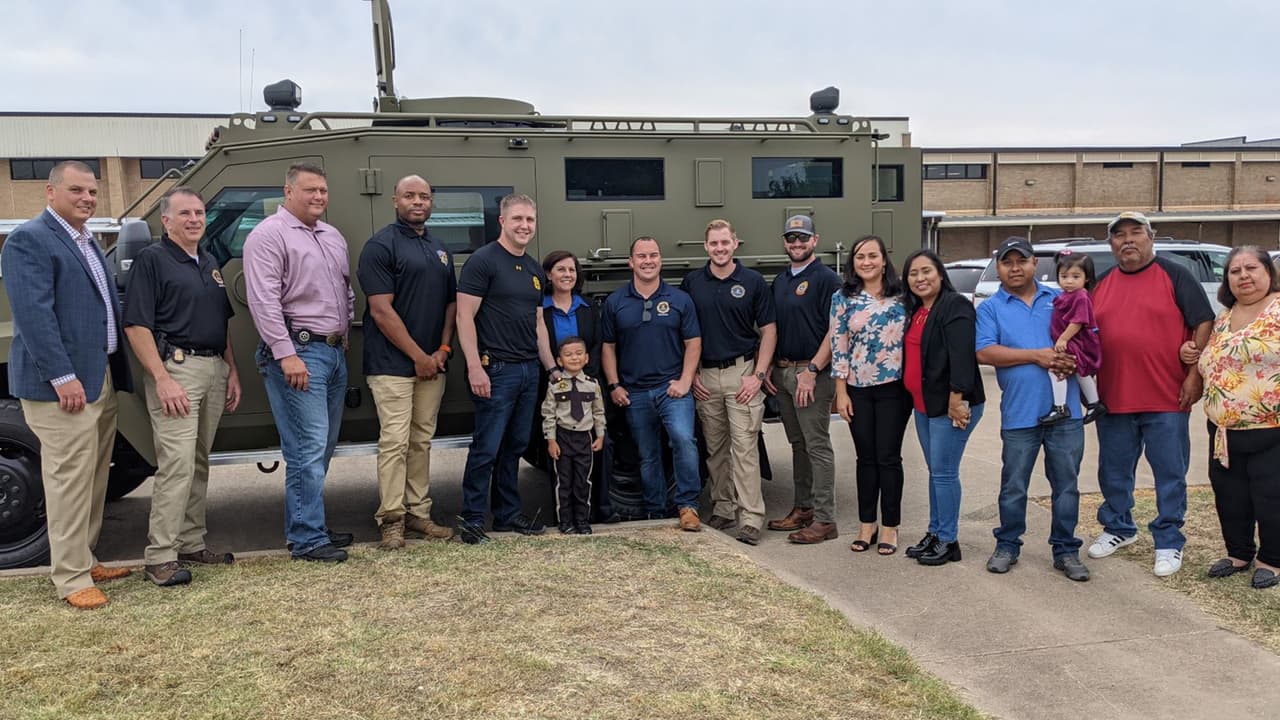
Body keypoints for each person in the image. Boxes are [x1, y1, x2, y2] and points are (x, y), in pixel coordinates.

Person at [1, 160, 134, 609]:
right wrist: (63, 377)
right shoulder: (29, 240)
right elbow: (35, 317)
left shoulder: (87, 240)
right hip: (64, 386)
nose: (87, 198)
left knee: (93, 476)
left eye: (93, 192)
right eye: (77, 190)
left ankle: (85, 557)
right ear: (50, 191)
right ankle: (72, 577)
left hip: (98, 377)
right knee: (67, 481)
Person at [122, 187, 241, 586]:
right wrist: (161, 378)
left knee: (198, 462)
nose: (194, 219)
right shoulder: (152, 261)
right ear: (166, 220)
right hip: (176, 370)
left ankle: (191, 542)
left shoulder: (207, 261)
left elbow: (220, 323)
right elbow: (137, 325)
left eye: (199, 212)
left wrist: (231, 371)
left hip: (212, 368)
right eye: (185, 213)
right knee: (176, 464)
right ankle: (160, 557)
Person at [1087, 211, 1213, 577]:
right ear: (1111, 244)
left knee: (1170, 472)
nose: (1128, 240)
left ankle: (1169, 540)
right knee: (1113, 471)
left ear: (1150, 236)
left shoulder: (1175, 274)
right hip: (1114, 398)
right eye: (1119, 235)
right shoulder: (1103, 283)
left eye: (1135, 233)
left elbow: (1203, 320)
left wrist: (1193, 374)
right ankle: (1118, 528)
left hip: (1167, 397)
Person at [244, 162, 355, 563]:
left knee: (321, 447)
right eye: (310, 190)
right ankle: (307, 539)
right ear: (288, 192)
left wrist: (342, 334)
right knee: (306, 448)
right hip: (298, 352)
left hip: (332, 352)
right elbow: (263, 301)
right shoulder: (268, 236)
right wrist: (286, 354)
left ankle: (311, 525)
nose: (319, 197)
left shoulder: (332, 236)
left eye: (323, 190)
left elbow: (345, 290)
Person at [975, 237, 1090, 582]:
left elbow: (1086, 338)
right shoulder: (991, 309)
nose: (1014, 268)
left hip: (1065, 414)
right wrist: (1037, 355)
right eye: (1007, 262)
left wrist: (1073, 359)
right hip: (1019, 415)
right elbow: (984, 352)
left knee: (1066, 486)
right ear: (998, 268)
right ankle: (1008, 544)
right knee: (1014, 486)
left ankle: (1066, 550)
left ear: (1034, 264)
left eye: (1021, 261)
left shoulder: (1060, 299)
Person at [357, 174, 456, 550]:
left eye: (425, 196)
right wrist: (418, 357)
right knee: (395, 442)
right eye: (410, 196)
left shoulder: (439, 248)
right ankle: (392, 519)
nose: (419, 202)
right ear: (395, 200)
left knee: (421, 441)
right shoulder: (380, 246)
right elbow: (381, 311)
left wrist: (442, 351)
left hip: (433, 363)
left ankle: (419, 514)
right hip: (391, 366)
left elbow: (451, 304)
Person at [455, 194, 558, 544]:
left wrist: (552, 367)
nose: (524, 225)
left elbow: (538, 323)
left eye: (530, 219)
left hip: (529, 370)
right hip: (495, 370)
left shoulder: (532, 269)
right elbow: (463, 316)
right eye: (517, 219)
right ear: (502, 221)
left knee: (514, 447)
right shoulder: (482, 262)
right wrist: (474, 367)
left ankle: (507, 515)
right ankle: (471, 519)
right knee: (487, 448)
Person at [681, 219, 776, 545]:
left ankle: (750, 518)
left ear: (736, 243)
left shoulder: (752, 282)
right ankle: (723, 507)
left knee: (745, 449)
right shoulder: (692, 282)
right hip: (705, 376)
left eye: (725, 242)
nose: (720, 249)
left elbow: (769, 331)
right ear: (706, 247)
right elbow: (686, 333)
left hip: (742, 374)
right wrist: (691, 374)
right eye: (714, 244)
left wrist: (758, 376)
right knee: (715, 449)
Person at [1190, 246, 1280, 590]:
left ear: (1268, 272)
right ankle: (1239, 553)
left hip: (1271, 429)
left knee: (1271, 497)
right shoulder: (1224, 316)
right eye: (1235, 270)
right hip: (1223, 430)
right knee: (1230, 496)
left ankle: (1272, 560)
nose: (1243, 276)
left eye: (1251, 268)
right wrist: (1193, 354)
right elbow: (1212, 359)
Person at [601, 237, 703, 530]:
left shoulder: (680, 300)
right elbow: (608, 347)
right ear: (631, 262)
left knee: (684, 440)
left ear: (661, 260)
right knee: (648, 455)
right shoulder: (615, 302)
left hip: (672, 389)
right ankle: (656, 512)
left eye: (654, 255)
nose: (648, 261)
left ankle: (688, 507)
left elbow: (693, 342)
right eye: (641, 256)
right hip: (635, 393)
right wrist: (614, 385)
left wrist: (685, 381)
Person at [900, 249, 985, 567]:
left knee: (945, 474)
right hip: (924, 405)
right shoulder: (918, 309)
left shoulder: (955, 306)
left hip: (950, 405)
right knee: (937, 473)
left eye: (926, 271)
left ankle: (948, 540)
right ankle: (935, 533)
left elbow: (962, 355)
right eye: (913, 273)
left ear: (940, 274)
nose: (920, 278)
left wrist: (956, 399)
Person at [830, 235, 911, 555]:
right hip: (857, 390)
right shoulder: (843, 297)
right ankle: (867, 524)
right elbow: (839, 345)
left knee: (888, 457)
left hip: (895, 388)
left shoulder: (902, 295)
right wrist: (841, 392)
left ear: (883, 259)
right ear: (853, 262)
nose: (866, 262)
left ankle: (890, 526)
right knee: (866, 458)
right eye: (860, 257)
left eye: (872, 256)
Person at [765, 215, 842, 544]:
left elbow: (835, 329)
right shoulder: (781, 280)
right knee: (798, 445)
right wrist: (768, 366)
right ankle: (804, 508)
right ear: (785, 242)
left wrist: (812, 370)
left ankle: (826, 520)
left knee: (817, 446)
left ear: (815, 240)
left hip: (811, 374)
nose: (797, 244)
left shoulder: (827, 279)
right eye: (791, 238)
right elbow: (774, 328)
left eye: (803, 238)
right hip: (783, 372)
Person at [540, 250, 619, 523]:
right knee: (559, 457)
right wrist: (557, 375)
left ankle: (599, 510)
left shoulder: (587, 307)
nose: (567, 275)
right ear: (549, 275)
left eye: (571, 270)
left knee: (598, 449)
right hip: (553, 387)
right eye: (560, 270)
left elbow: (597, 344)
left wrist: (586, 374)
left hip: (586, 389)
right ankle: (563, 517)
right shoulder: (541, 309)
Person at [541, 336, 606, 535]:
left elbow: (598, 412)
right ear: (559, 361)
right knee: (564, 481)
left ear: (586, 358)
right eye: (568, 355)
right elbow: (548, 414)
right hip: (563, 437)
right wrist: (551, 440)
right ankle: (565, 521)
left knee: (583, 481)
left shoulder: (592, 385)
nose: (574, 358)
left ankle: (583, 520)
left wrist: (600, 436)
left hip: (584, 438)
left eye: (579, 354)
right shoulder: (555, 386)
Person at [1038, 251, 1105, 426]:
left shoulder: (1081, 296)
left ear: (1087, 278)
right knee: (1081, 372)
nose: (1069, 281)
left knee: (1056, 368)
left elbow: (1078, 321)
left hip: (1076, 342)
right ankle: (1094, 403)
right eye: (1064, 276)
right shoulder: (1064, 295)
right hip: (1072, 341)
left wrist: (1063, 339)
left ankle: (1060, 408)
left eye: (1076, 276)